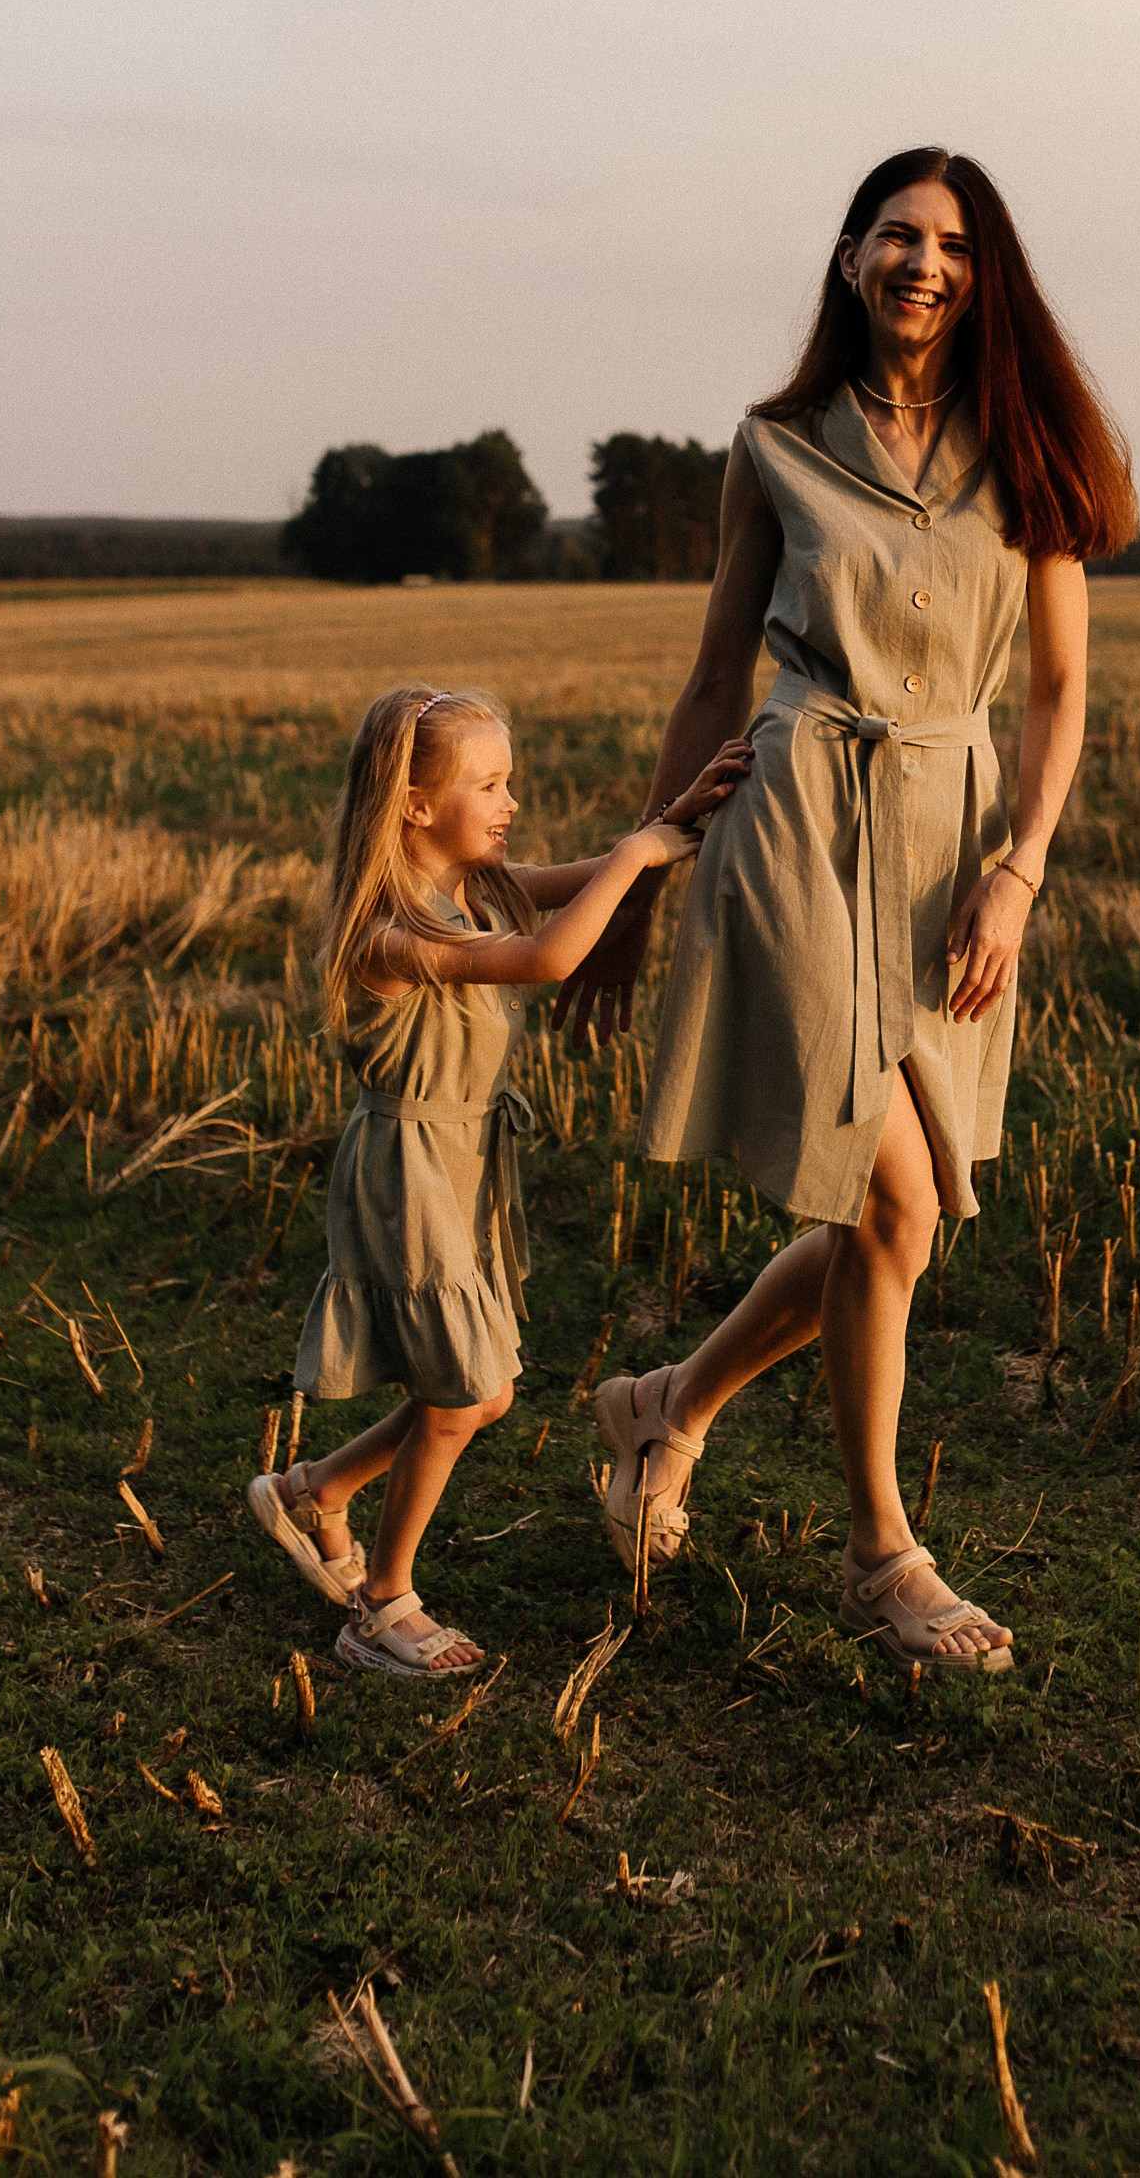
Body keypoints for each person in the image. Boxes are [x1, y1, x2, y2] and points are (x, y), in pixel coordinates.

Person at [560, 148, 1139, 1674]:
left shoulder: (1032, 450)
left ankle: (666, 1406)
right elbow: (714, 678)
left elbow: (1060, 691)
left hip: (955, 847)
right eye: (897, 234)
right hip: (795, 822)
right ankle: (882, 1556)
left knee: (905, 1219)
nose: (922, 262)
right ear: (849, 257)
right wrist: (635, 882)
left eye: (952, 243)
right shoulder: (774, 445)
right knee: (888, 1201)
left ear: (985, 274)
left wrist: (1019, 870)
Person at [248, 683, 746, 1678]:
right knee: (459, 1394)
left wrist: (673, 819)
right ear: (415, 806)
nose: (511, 801)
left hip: (463, 1166)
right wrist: (641, 856)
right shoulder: (391, 933)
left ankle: (316, 1492)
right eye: (489, 784)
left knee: (482, 1393)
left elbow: (574, 882)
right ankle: (379, 1607)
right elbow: (550, 958)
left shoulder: (477, 886)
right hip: (409, 1175)